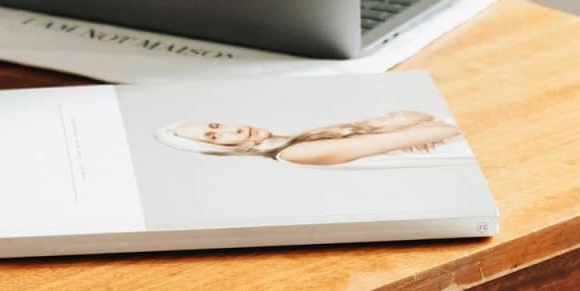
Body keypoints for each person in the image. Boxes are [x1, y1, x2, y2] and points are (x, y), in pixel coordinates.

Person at [158, 109, 463, 166]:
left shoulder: (300, 137)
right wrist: (402, 128)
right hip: (461, 143)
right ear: (221, 151)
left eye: (216, 124)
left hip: (456, 134)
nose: (231, 130)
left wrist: (401, 123)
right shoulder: (294, 154)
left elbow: (419, 116)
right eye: (215, 137)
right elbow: (395, 139)